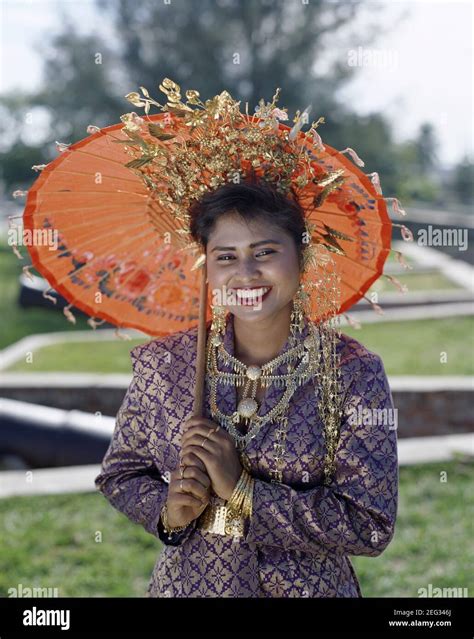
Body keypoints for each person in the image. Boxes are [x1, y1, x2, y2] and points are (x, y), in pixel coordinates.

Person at [94, 178, 399, 598]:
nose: (246, 273)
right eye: (225, 256)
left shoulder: (351, 373)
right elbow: (120, 475)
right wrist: (169, 513)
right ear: (207, 266)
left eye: (265, 252)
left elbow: (370, 525)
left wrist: (244, 490)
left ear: (302, 256)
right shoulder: (166, 365)